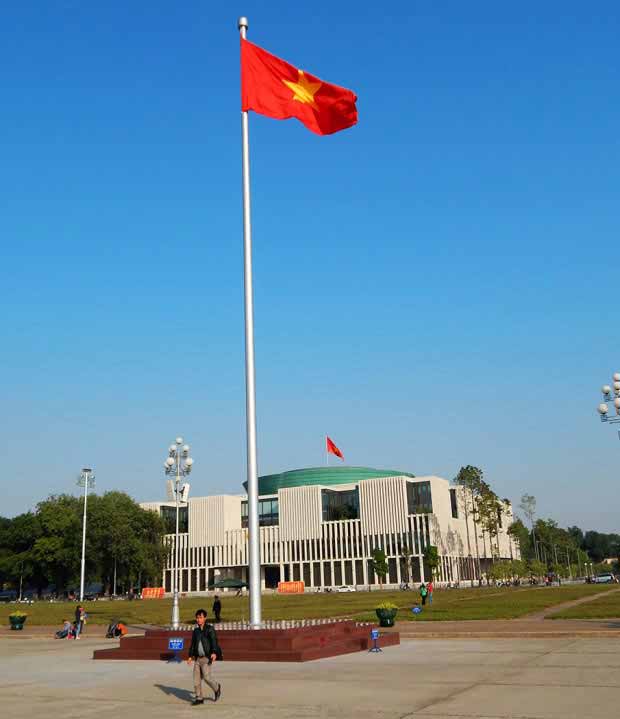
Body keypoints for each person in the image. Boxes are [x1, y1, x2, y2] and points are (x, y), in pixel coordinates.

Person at [187, 609, 222, 706]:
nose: (198, 619)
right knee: (196, 679)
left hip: (207, 658)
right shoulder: (196, 631)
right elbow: (193, 644)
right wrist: (190, 656)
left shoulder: (209, 629)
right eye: (197, 618)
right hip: (198, 658)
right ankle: (199, 698)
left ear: (205, 618)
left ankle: (217, 688)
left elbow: (214, 641)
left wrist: (214, 652)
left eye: (200, 617)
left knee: (206, 677)